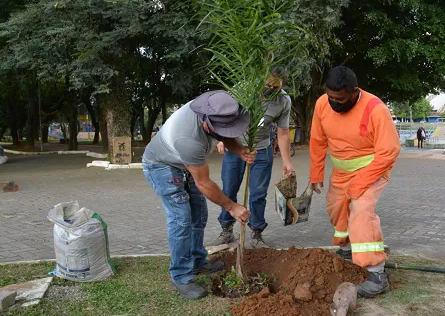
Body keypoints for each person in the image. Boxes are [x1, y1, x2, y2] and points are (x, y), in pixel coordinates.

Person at [142, 90, 256, 300]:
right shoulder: (189, 139)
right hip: (161, 166)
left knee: (199, 214)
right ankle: (181, 276)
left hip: (182, 163)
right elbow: (204, 183)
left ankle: (197, 261)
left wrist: (239, 150)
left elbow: (224, 133)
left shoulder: (215, 106)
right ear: (206, 122)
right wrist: (232, 207)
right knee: (181, 219)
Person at [309, 66, 401, 298]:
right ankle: (349, 251)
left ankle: (376, 274)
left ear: (354, 92)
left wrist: (362, 183)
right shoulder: (322, 104)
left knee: (361, 211)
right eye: (330, 97)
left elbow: (389, 151)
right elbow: (318, 140)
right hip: (340, 173)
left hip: (372, 169)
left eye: (339, 99)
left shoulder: (375, 109)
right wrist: (316, 173)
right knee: (336, 210)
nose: (334, 103)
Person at [212, 67, 294, 249]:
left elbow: (282, 133)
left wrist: (287, 162)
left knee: (258, 194)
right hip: (236, 147)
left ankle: (256, 233)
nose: (272, 91)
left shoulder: (283, 100)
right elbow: (225, 116)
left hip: (262, 151)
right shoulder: (243, 90)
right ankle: (226, 230)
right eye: (269, 86)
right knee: (229, 190)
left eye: (276, 87)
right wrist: (223, 139)